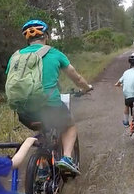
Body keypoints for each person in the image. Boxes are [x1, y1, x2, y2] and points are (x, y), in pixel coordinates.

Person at [6, 19, 93, 176]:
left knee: (43, 129)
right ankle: (66, 158)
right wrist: (87, 88)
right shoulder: (54, 53)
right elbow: (77, 78)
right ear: (46, 36)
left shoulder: (15, 57)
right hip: (50, 106)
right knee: (69, 126)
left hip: (24, 111)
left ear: (27, 39)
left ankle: (43, 166)